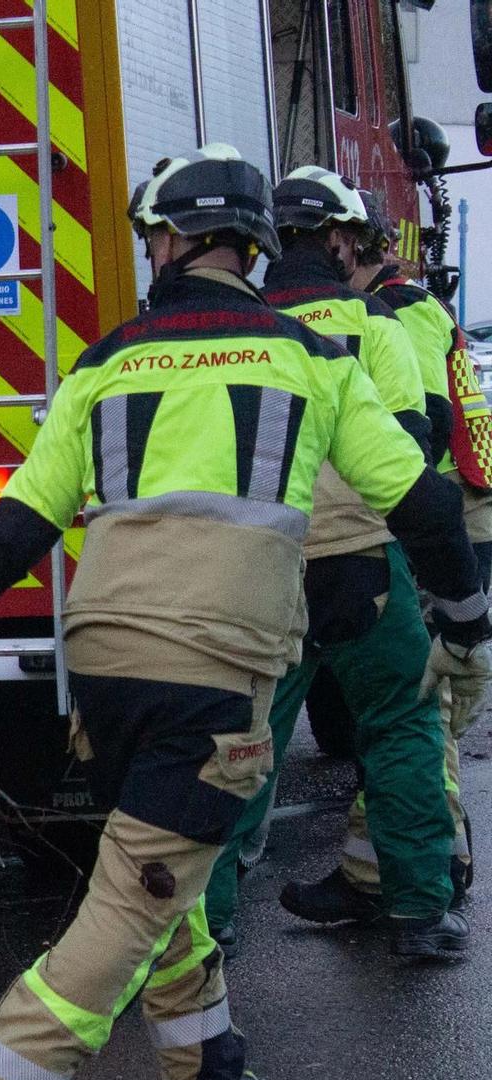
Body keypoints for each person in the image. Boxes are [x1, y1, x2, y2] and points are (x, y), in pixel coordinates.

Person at [0, 146, 492, 1080]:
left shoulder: (104, 364)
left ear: (168, 242)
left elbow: (18, 525)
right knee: (135, 897)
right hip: (214, 675)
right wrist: (466, 626)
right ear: (251, 247)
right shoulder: (310, 360)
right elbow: (424, 505)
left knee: (173, 873)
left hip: (105, 674)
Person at [202, 168, 476, 960]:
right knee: (401, 727)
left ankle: (203, 926)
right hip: (364, 564)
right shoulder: (374, 324)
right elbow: (416, 449)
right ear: (340, 240)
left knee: (239, 745)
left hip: (264, 568)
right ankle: (421, 914)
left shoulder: (236, 329)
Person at [292, 189, 492, 914]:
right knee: (413, 711)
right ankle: (390, 872)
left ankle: (432, 868)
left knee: (420, 711)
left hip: (424, 526)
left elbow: (414, 437)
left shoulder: (396, 314)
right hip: (436, 521)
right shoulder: (409, 308)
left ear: (356, 253)